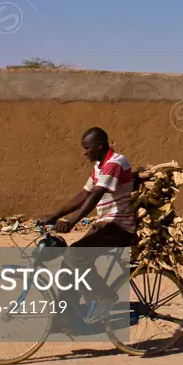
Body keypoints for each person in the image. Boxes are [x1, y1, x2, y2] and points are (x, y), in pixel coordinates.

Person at [37, 127, 136, 325]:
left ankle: (105, 297)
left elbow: (95, 195)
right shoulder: (99, 167)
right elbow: (83, 194)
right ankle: (66, 317)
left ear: (99, 145)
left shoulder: (115, 163)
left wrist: (71, 222)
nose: (84, 152)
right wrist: (53, 216)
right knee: (68, 264)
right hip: (104, 225)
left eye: (87, 147)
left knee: (76, 254)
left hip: (119, 227)